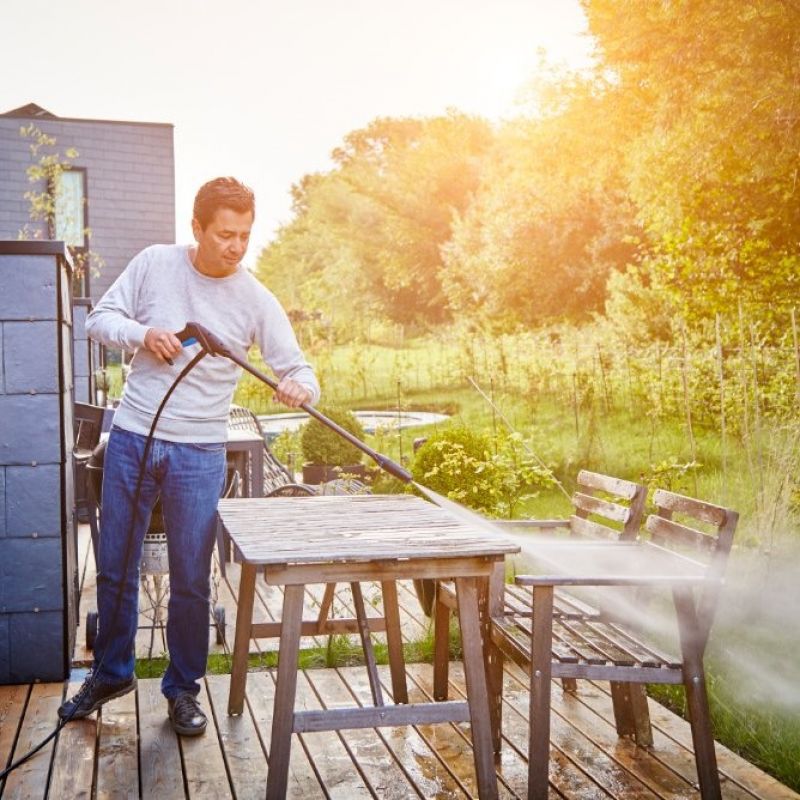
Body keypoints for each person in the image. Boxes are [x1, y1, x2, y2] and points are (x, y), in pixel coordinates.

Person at [58, 177, 319, 736]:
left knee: (193, 579)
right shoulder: (155, 263)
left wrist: (299, 387)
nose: (235, 246)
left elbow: (299, 370)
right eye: (225, 234)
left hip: (201, 450)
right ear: (196, 228)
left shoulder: (254, 298)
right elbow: (98, 320)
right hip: (132, 438)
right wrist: (142, 333)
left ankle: (182, 689)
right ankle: (111, 673)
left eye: (245, 236)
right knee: (115, 566)